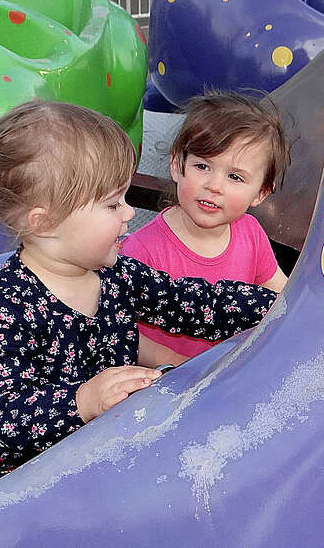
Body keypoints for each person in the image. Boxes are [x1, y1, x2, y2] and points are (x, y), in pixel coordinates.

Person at [0, 101, 276, 505]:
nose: (129, 213)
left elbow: (191, 302)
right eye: (112, 203)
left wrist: (277, 304)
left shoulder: (114, 273)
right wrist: (81, 402)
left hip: (73, 455)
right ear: (43, 221)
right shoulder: (7, 306)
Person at [124, 91, 290, 368]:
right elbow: (124, 334)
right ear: (178, 166)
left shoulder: (250, 232)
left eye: (234, 177)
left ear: (261, 193)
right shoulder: (141, 251)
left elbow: (281, 295)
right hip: (163, 385)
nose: (214, 185)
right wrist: (179, 365)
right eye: (203, 166)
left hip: (230, 372)